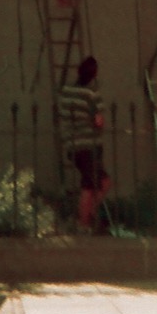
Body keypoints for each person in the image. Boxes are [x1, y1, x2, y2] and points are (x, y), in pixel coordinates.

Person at [58, 54, 111, 231]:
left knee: (102, 182)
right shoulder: (92, 94)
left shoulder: (66, 91)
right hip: (89, 145)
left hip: (71, 145)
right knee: (90, 185)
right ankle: (83, 223)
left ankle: (88, 214)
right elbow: (99, 121)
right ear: (94, 75)